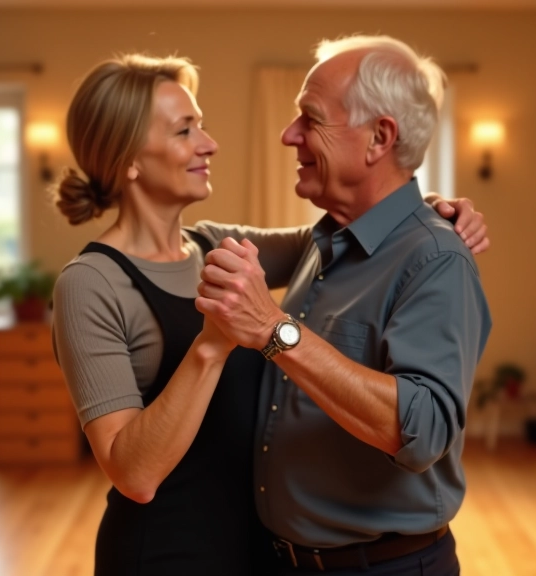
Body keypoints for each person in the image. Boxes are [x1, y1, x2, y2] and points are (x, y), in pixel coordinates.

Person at [50, 53, 487, 575]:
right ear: (128, 160)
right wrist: (214, 344)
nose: (209, 144)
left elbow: (362, 227)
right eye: (185, 130)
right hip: (168, 555)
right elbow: (134, 474)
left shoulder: (214, 245)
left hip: (256, 553)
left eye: (202, 126)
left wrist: (429, 206)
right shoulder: (90, 284)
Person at [197, 35, 491, 575]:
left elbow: (421, 430)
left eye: (310, 119)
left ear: (379, 138)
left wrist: (272, 329)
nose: (290, 136)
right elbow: (195, 239)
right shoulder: (324, 239)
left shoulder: (437, 259)